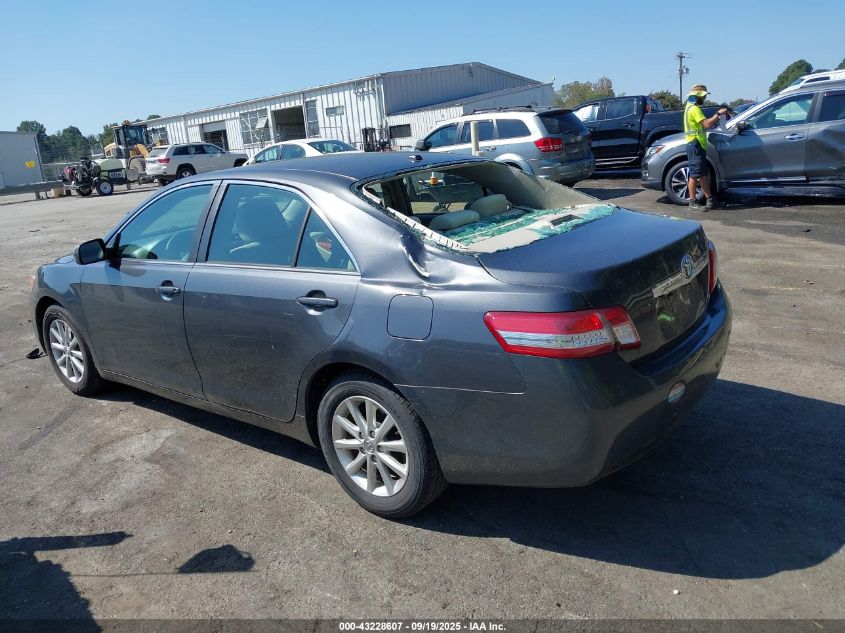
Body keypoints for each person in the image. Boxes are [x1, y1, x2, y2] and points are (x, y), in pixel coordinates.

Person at [684, 84, 728, 211]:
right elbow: (707, 124)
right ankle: (692, 203)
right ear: (698, 96)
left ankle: (710, 200)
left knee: (702, 174)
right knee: (694, 174)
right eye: (703, 96)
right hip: (695, 144)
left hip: (696, 144)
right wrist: (718, 114)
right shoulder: (694, 109)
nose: (704, 99)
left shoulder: (690, 107)